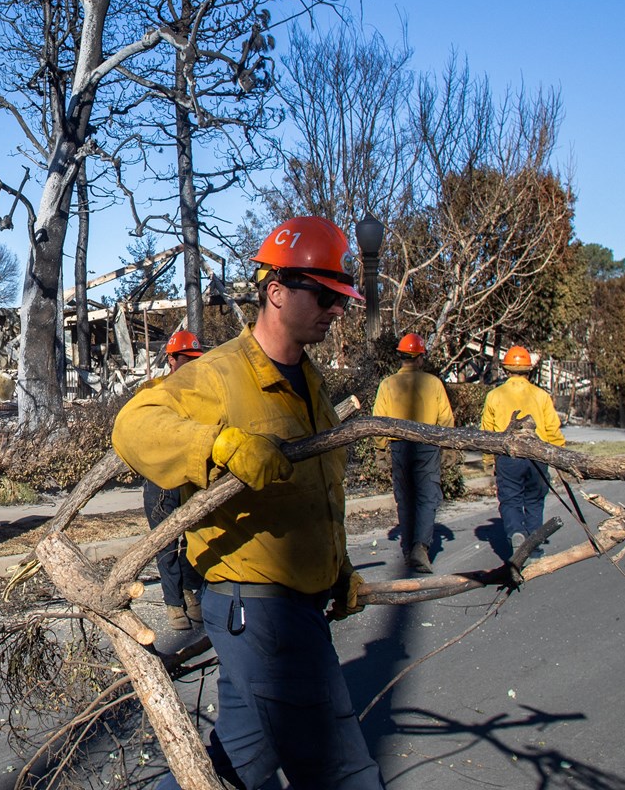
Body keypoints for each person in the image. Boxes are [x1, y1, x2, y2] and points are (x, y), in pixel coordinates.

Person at [112, 216, 384, 789]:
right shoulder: (219, 374)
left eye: (342, 297)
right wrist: (219, 443)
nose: (337, 309)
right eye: (326, 295)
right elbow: (133, 426)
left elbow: (313, 495)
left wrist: (338, 568)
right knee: (343, 769)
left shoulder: (308, 383)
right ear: (277, 292)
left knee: (242, 762)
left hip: (295, 603)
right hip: (259, 609)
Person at [372, 333, 455, 573]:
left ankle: (409, 549)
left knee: (405, 497)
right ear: (419, 358)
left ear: (400, 357)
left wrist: (380, 448)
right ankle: (421, 546)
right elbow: (445, 418)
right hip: (427, 445)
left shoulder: (387, 384)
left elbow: (379, 419)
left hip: (399, 446)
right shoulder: (433, 383)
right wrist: (448, 446)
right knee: (427, 496)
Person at [143, 330, 206, 630]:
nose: (192, 365)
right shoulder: (155, 392)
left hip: (189, 476)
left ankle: (187, 589)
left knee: (195, 539)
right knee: (166, 542)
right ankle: (174, 603)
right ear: (171, 359)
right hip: (160, 478)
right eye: (186, 359)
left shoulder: (199, 394)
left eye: (195, 359)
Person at [481, 346, 565, 554]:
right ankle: (534, 548)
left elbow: (487, 432)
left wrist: (488, 460)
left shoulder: (494, 395)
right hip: (538, 455)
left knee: (510, 499)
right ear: (529, 370)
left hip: (508, 455)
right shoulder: (541, 395)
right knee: (535, 501)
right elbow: (553, 428)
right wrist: (559, 456)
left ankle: (517, 532)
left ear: (506, 369)